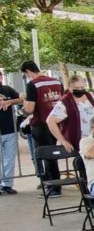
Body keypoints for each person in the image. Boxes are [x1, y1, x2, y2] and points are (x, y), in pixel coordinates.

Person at [21, 60, 65, 198]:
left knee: (46, 155)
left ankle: (54, 187)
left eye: (26, 74)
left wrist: (23, 105)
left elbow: (29, 109)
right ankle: (52, 182)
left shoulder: (32, 85)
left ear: (28, 71)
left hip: (41, 124)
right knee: (53, 152)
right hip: (57, 123)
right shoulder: (57, 82)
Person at [46, 74, 94, 153]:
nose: (80, 90)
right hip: (80, 144)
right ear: (70, 88)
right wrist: (63, 141)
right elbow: (50, 121)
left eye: (82, 87)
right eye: (76, 88)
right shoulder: (65, 102)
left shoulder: (92, 97)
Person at [0, 71, 23, 195]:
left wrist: (9, 102)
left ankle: (7, 184)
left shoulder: (7, 89)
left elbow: (21, 99)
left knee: (9, 158)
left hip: (10, 129)